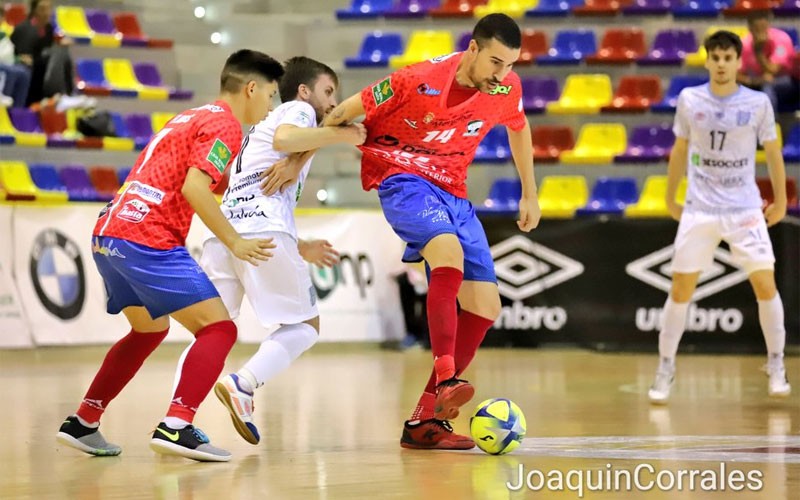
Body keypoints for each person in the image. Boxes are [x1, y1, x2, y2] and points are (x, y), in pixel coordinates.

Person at [265, 13, 541, 450]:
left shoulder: (508, 88)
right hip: (403, 179)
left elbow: (520, 130)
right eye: (494, 62)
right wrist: (296, 160)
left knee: (486, 307)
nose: (501, 75)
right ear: (471, 49)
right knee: (446, 256)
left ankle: (423, 423)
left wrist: (531, 192)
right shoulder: (417, 79)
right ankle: (447, 376)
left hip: (454, 190)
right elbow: (339, 115)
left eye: (509, 65)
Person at [55, 49, 285, 462]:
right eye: (270, 96)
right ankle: (177, 426)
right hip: (148, 236)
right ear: (251, 88)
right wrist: (235, 242)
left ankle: (83, 421)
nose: (270, 108)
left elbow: (190, 179)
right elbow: (194, 189)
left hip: (110, 232)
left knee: (148, 330)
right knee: (219, 329)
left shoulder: (191, 116)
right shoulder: (225, 125)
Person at [197, 56, 366, 445]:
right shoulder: (298, 109)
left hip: (225, 234)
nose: (331, 104)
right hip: (263, 233)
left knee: (207, 334)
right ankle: (244, 383)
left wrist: (301, 242)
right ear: (304, 91)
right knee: (305, 327)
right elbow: (287, 139)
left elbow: (288, 149)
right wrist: (344, 135)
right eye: (328, 92)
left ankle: (176, 418)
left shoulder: (260, 128)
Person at [648, 30, 791, 404]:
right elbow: (679, 149)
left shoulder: (758, 102)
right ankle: (665, 368)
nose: (723, 64)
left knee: (765, 284)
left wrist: (779, 199)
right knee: (680, 290)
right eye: (717, 57)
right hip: (700, 208)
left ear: (738, 61)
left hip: (745, 208)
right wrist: (669, 195)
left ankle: (776, 364)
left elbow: (773, 151)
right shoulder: (689, 99)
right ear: (708, 60)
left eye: (729, 57)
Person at [738, 11, 798, 112]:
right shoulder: (744, 43)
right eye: (756, 28)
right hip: (757, 81)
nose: (761, 30)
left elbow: (773, 71)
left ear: (768, 25)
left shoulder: (781, 39)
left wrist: (759, 52)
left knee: (767, 88)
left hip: (787, 82)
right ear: (750, 28)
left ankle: (769, 126)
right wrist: (754, 81)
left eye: (763, 25)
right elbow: (734, 74)